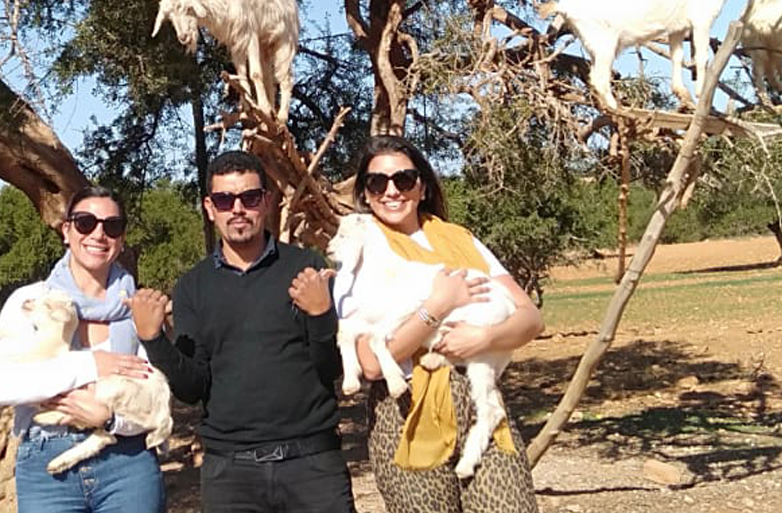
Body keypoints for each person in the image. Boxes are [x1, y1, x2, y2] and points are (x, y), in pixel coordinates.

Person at [131, 149, 356, 513]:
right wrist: (154, 340)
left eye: (249, 197)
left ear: (266, 202)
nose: (237, 208)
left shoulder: (306, 269)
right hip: (231, 474)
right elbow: (192, 388)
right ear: (209, 207)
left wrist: (319, 315)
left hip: (313, 466)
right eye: (224, 199)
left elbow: (331, 369)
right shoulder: (193, 287)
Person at [335, 134, 543, 513]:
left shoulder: (458, 239)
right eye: (377, 182)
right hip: (407, 413)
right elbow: (368, 362)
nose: (391, 191)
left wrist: (484, 337)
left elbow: (529, 317)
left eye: (404, 179)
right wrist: (438, 305)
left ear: (423, 185)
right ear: (365, 193)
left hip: (479, 399)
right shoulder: (359, 248)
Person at [0, 186, 165, 513]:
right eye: (85, 222)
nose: (98, 233)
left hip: (127, 463)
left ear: (121, 239)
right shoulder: (33, 301)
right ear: (66, 231)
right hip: (46, 463)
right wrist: (93, 365)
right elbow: (0, 385)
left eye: (112, 226)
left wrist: (109, 418)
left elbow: (151, 402)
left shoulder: (139, 307)